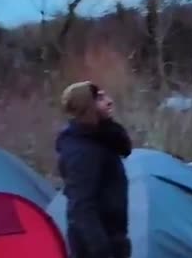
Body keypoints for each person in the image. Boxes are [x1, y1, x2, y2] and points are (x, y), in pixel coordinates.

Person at [56, 81, 132, 258]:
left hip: (113, 238)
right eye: (99, 98)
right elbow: (81, 206)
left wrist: (107, 124)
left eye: (106, 96)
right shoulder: (80, 151)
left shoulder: (99, 138)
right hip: (95, 247)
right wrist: (102, 251)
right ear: (87, 106)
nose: (109, 101)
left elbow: (123, 147)